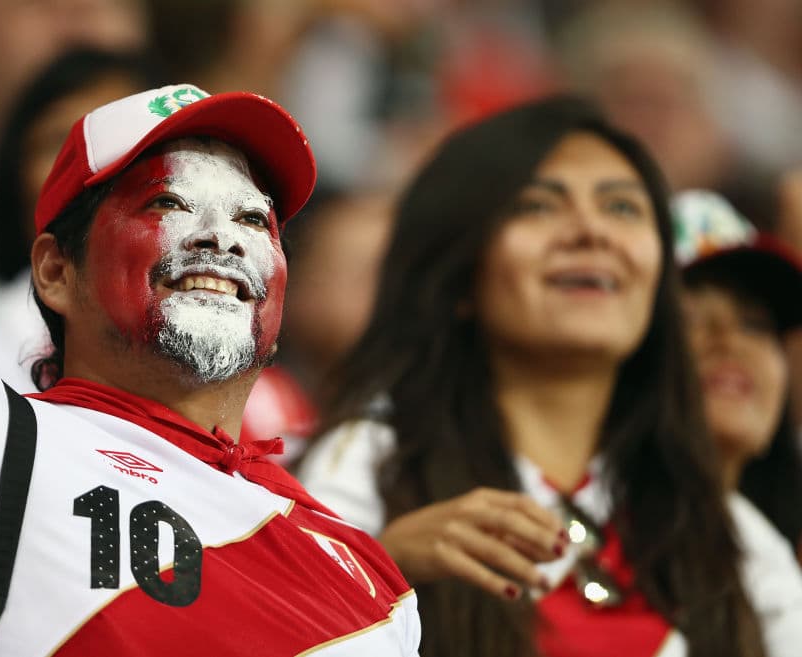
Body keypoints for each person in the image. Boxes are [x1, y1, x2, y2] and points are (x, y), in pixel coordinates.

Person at [0, 79, 420, 656]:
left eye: (253, 217)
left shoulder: (371, 579)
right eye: (168, 203)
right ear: (56, 270)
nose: (222, 238)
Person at [296, 96, 802, 656]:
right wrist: (380, 572)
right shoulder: (367, 465)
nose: (591, 231)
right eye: (537, 206)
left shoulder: (732, 535)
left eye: (622, 208)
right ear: (459, 272)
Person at [0, 48, 149, 391]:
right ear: (15, 178)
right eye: (60, 143)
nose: (93, 169)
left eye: (121, 141)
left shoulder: (234, 348)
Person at [673, 190, 802, 556]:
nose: (730, 342)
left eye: (755, 324)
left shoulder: (776, 561)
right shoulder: (563, 523)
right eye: (691, 319)